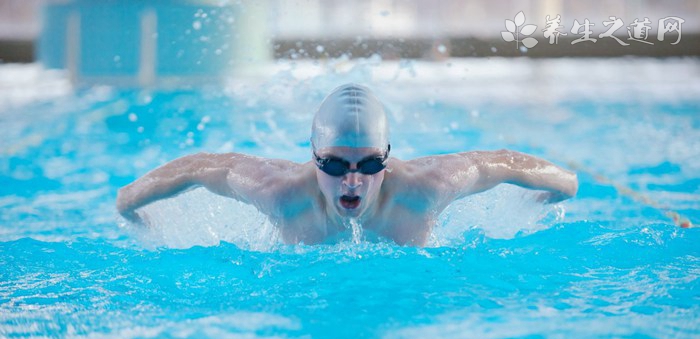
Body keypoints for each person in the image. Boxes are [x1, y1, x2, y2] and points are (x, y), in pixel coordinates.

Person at [117, 83, 578, 246]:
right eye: (336, 166)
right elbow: (201, 167)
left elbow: (497, 163)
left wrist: (560, 184)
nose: (353, 179)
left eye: (370, 163)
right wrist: (130, 203)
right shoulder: (280, 193)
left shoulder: (426, 190)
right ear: (313, 157)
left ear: (388, 157)